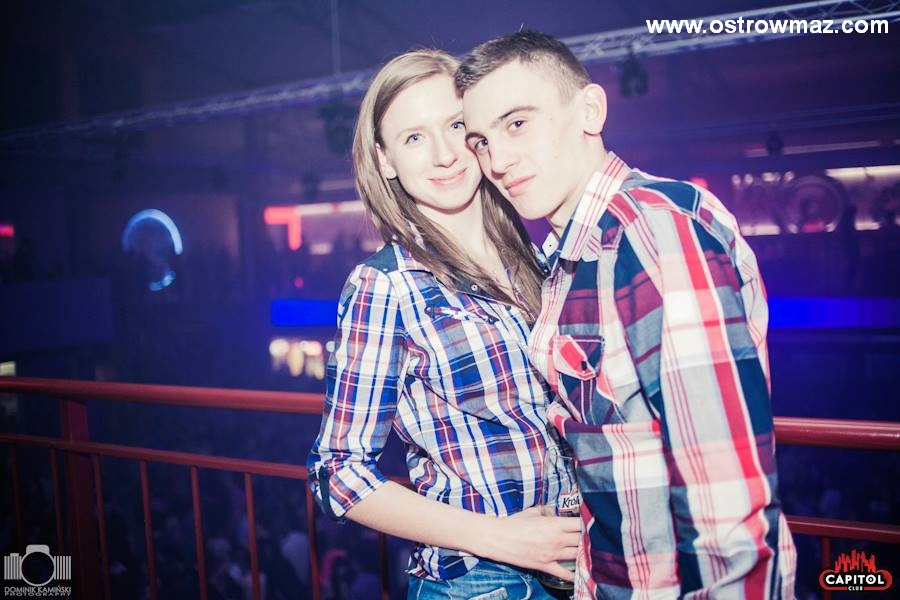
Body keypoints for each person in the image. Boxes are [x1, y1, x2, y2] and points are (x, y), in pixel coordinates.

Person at [457, 31, 797, 599]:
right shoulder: (578, 253)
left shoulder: (651, 229)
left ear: (590, 111)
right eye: (482, 142)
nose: (498, 160)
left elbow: (724, 491)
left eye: (517, 124)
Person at [307, 49, 581, 599]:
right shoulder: (386, 284)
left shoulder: (537, 258)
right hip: (478, 581)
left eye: (455, 126)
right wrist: (503, 539)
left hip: (575, 568)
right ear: (386, 160)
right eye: (414, 137)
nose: (444, 154)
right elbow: (338, 471)